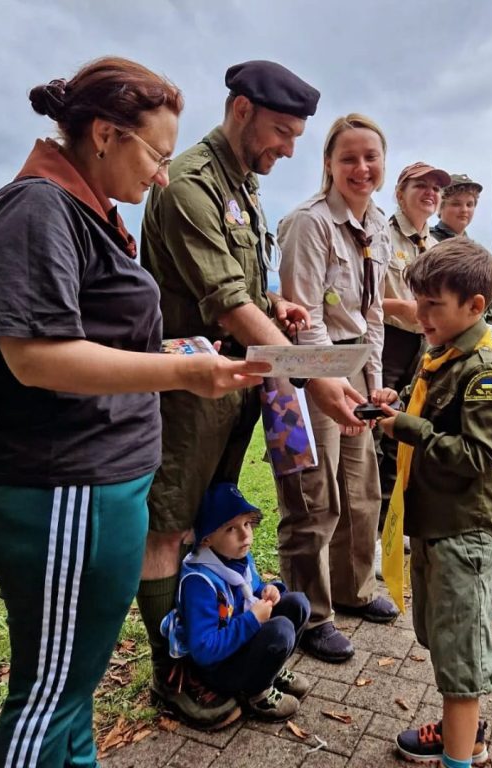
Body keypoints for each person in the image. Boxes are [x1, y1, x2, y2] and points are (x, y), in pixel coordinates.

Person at [0, 57, 269, 768]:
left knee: (72, 692)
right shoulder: (37, 209)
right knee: (48, 699)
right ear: (104, 135)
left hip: (94, 484)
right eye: (158, 154)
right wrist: (182, 372)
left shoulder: (85, 213)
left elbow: (91, 338)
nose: (163, 174)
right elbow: (36, 355)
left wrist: (169, 348)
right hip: (60, 485)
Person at [138, 60, 366, 726]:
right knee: (170, 528)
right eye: (282, 131)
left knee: (208, 524)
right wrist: (316, 373)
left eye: (298, 135)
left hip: (235, 384)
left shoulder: (241, 184)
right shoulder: (189, 185)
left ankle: (221, 658)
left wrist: (278, 304)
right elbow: (224, 301)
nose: (290, 148)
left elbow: (239, 289)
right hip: (187, 394)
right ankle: (174, 673)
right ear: (241, 109)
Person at [378, 237, 492, 768]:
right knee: (444, 642)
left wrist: (410, 428)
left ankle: (461, 757)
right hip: (436, 527)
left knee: (462, 661)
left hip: (466, 533)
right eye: (418, 301)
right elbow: (430, 414)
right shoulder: (440, 355)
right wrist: (396, 405)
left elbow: (478, 456)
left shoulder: (483, 372)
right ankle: (467, 734)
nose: (420, 314)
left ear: (475, 306)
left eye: (432, 305)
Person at [275, 113, 399, 664]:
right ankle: (309, 613)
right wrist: (329, 379)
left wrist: (371, 381)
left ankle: (353, 590)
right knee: (313, 496)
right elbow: (304, 318)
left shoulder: (375, 225)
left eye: (370, 156)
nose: (361, 167)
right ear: (327, 163)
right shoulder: (310, 223)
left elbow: (371, 313)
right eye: (348, 157)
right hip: (308, 365)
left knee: (362, 486)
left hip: (352, 362)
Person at [160, 482, 311, 724]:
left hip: (239, 639)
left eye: (247, 524)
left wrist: (269, 591)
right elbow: (204, 651)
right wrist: (252, 620)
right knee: (280, 629)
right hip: (219, 668)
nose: (245, 534)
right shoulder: (200, 583)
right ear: (207, 539)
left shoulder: (237, 555)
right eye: (231, 528)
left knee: (297, 603)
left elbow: (252, 589)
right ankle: (257, 692)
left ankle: (271, 669)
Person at [376, 162, 451, 576]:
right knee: (379, 433)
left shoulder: (436, 246)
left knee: (406, 433)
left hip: (423, 346)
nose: (430, 193)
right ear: (400, 192)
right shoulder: (382, 235)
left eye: (436, 188)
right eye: (420, 185)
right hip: (389, 342)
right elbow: (360, 298)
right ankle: (371, 536)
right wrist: (401, 307)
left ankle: (394, 524)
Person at [429, 173, 483, 241]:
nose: (464, 210)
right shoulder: (427, 241)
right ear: (440, 207)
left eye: (469, 205)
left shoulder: (473, 248)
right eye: (456, 204)